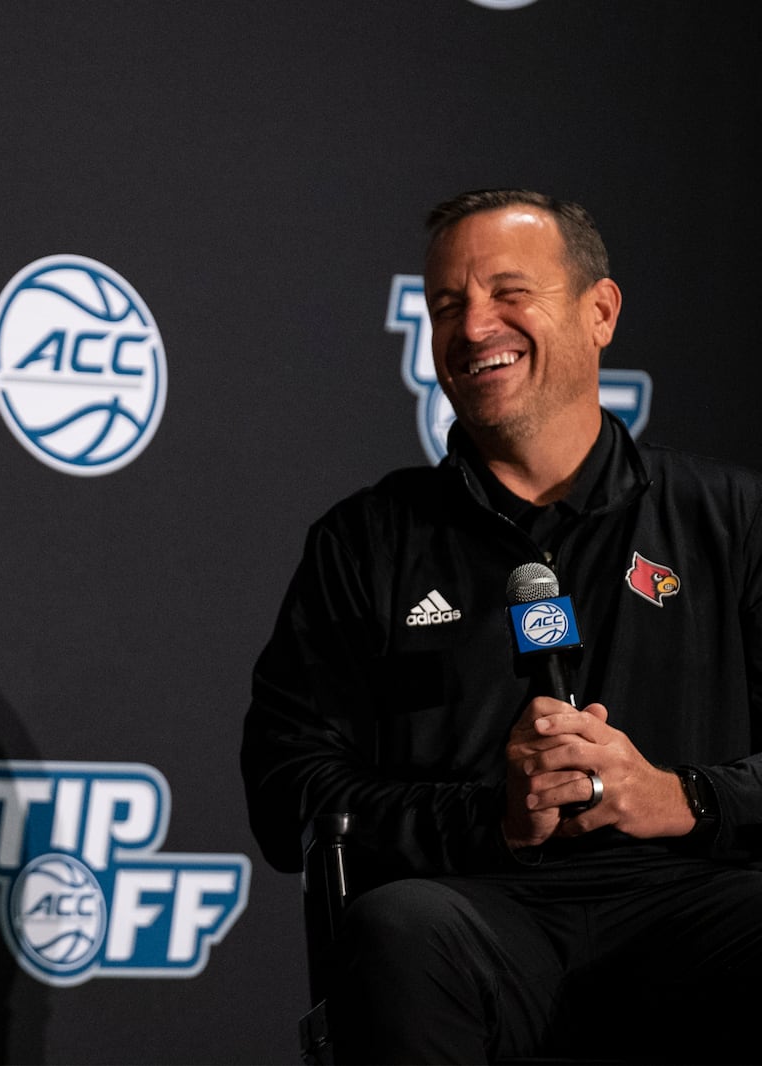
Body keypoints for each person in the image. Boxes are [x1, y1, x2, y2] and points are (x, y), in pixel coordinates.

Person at [241, 189, 762, 1063]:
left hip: (691, 901)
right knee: (396, 929)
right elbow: (287, 787)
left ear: (601, 312)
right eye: (447, 305)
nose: (474, 325)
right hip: (470, 909)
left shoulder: (733, 519)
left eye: (508, 292)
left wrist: (680, 797)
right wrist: (492, 819)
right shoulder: (364, 542)